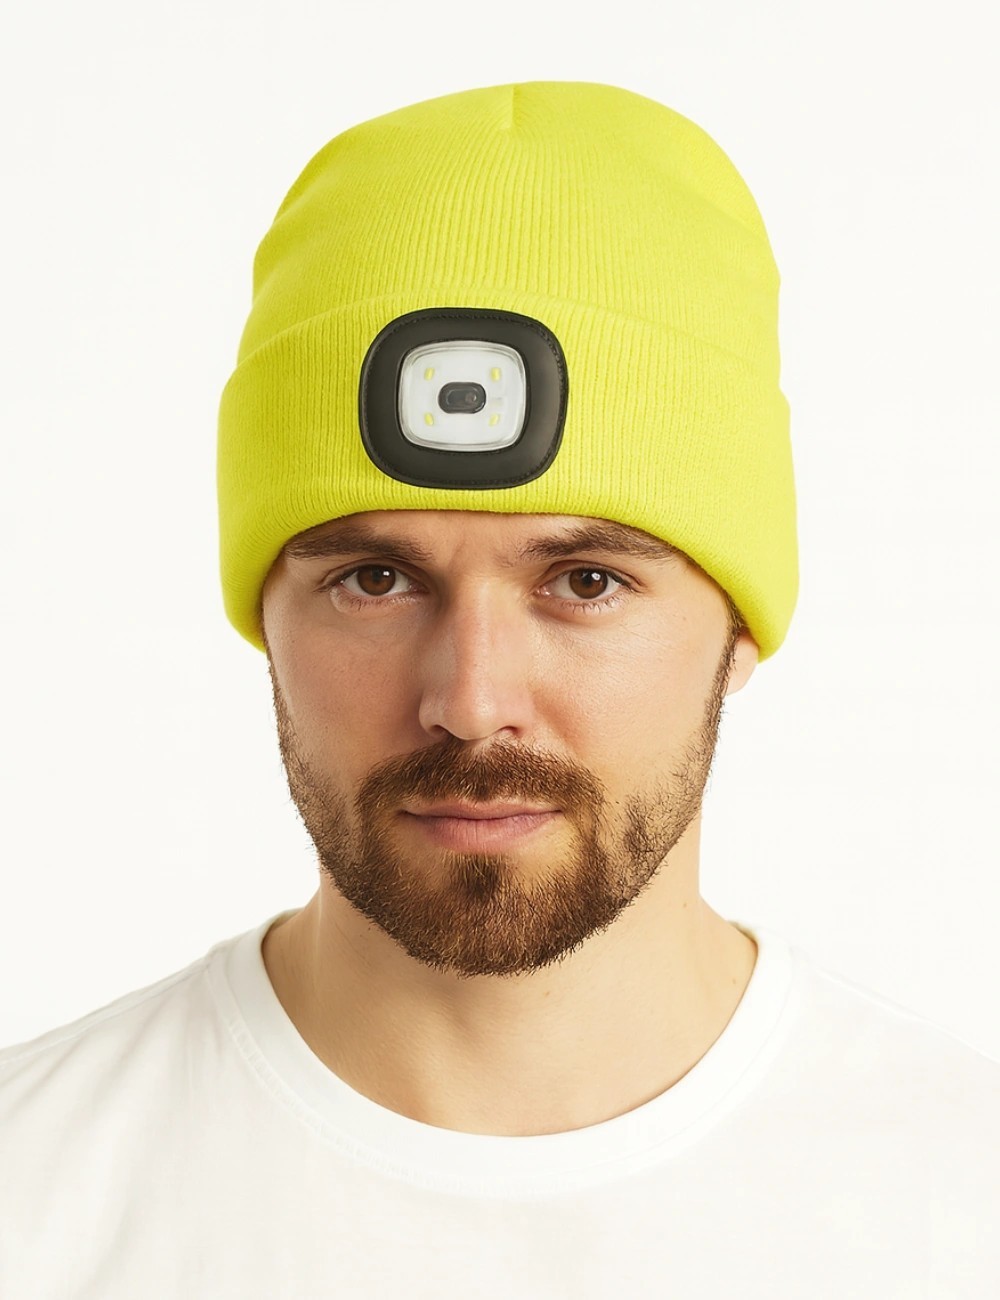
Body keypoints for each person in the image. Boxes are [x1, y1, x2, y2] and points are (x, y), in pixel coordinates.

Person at [1, 80, 997, 1298]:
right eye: (374, 579)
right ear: (264, 614)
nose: (471, 702)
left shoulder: (960, 1207)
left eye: (585, 580)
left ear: (742, 624)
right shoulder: (31, 1197)